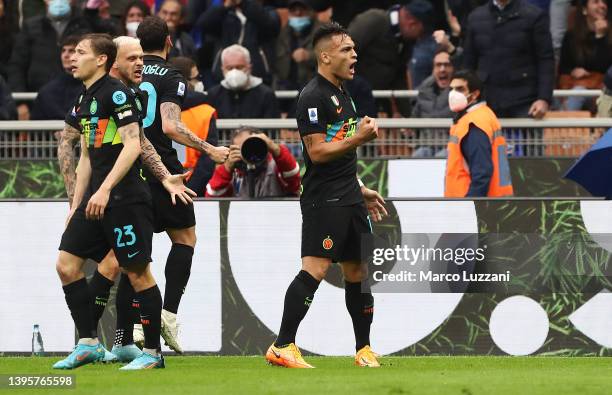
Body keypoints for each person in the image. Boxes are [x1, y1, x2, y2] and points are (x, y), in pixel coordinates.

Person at [264, 23, 387, 369]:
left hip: (348, 196)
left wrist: (360, 188)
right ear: (325, 56)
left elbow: (341, 153)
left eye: (354, 50)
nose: (354, 55)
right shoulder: (312, 96)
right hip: (325, 199)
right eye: (347, 50)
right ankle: (282, 345)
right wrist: (359, 138)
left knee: (357, 272)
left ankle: (363, 349)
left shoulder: (343, 93)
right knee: (315, 270)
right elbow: (317, 152)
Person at [53, 33, 164, 370]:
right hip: (95, 201)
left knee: (137, 273)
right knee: (66, 264)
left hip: (125, 199)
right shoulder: (84, 99)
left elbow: (133, 144)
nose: (73, 57)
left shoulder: (116, 93)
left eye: (80, 52)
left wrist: (105, 190)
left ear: (101, 59)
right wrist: (76, 203)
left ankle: (153, 354)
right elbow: (86, 154)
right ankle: (88, 343)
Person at [135, 16, 229, 353]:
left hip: (129, 168)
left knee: (132, 253)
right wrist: (210, 149)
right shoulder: (171, 75)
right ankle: (168, 315)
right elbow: (171, 126)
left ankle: (132, 327)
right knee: (185, 237)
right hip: (164, 168)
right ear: (169, 42)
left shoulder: (126, 72)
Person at [8, 0, 117, 121]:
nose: (68, 56)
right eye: (64, 50)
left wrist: (92, 13)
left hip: (82, 94)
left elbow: (109, 44)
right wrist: (21, 103)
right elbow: (17, 66)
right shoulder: (30, 26)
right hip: (39, 101)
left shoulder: (86, 22)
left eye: (73, 51)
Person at [462, 0, 554, 118]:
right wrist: (465, 96)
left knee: (528, 136)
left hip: (525, 102)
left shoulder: (535, 15)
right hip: (486, 101)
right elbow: (468, 64)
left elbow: (545, 60)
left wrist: (544, 99)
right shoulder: (475, 17)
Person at [444, 70, 514, 197]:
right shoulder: (484, 115)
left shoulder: (473, 123)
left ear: (475, 94)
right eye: (452, 89)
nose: (453, 94)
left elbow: (482, 173)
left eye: (460, 89)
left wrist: (470, 205)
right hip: (495, 203)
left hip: (470, 206)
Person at [196, 0, 280, 85]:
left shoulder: (267, 11)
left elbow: (271, 26)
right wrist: (225, 6)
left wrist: (245, 4)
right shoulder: (224, 14)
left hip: (257, 73)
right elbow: (203, 24)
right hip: (224, 73)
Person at [169, 56, 220, 196]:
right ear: (184, 81)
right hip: (193, 186)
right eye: (196, 77)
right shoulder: (205, 111)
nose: (200, 81)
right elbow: (208, 158)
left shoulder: (151, 108)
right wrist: (192, 189)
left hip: (161, 182)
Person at [205, 127, 300, 198]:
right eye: (241, 149)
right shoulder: (232, 172)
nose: (247, 152)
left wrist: (275, 148)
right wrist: (227, 168)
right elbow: (211, 198)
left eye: (250, 145)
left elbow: (294, 181)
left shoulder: (276, 166)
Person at [558, 0, 612, 111]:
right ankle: (563, 125)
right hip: (577, 87)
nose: (602, 5)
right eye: (596, 2)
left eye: (604, 2)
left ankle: (563, 125)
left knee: (578, 92)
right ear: (584, 9)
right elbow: (563, 68)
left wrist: (600, 36)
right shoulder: (571, 36)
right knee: (577, 92)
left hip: (605, 91)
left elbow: (604, 67)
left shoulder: (609, 37)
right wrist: (573, 71)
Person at [207, 44, 280, 119]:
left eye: (239, 67)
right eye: (229, 68)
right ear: (222, 69)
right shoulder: (213, 95)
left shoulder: (266, 95)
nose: (234, 72)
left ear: (249, 67)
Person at [412, 49, 455, 157]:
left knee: (441, 156)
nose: (442, 69)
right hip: (427, 145)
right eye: (438, 65)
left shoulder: (460, 92)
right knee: (418, 155)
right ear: (433, 69)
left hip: (451, 146)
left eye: (447, 65)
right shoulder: (423, 91)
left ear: (454, 68)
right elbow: (414, 119)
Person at [31, 35, 83, 121]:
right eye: (63, 51)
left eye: (71, 51)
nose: (65, 55)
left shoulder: (91, 87)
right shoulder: (47, 91)